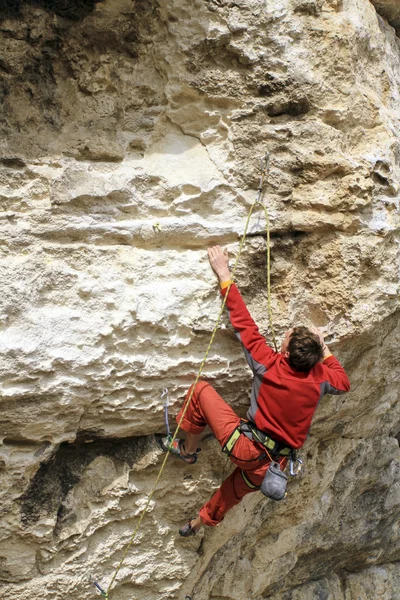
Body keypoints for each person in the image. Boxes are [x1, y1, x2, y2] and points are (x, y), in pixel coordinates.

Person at [162, 245, 351, 536]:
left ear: (286, 353)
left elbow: (244, 323)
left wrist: (224, 273)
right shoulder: (321, 377)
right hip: (273, 466)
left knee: (200, 390)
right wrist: (324, 349)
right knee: (231, 493)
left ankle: (187, 450)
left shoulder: (269, 363)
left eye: (286, 339)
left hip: (247, 447)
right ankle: (198, 523)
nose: (284, 337)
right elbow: (343, 381)